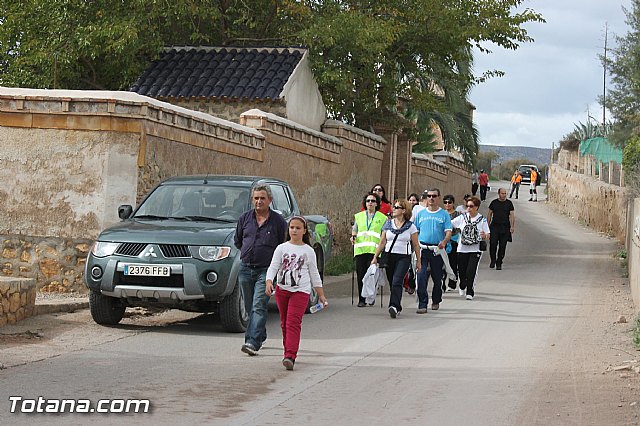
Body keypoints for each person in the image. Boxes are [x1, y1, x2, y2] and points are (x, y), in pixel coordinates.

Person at [265, 216, 328, 370]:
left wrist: (321, 295)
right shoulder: (281, 248)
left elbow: (314, 274)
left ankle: (290, 355)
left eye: (298, 228)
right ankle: (288, 350)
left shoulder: (308, 251)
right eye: (292, 227)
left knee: (293, 323)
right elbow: (273, 266)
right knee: (284, 323)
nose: (294, 230)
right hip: (282, 290)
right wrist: (269, 281)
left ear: (304, 231)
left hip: (300, 291)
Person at [235, 185, 288, 356]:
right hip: (246, 268)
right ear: (252, 200)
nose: (259, 201)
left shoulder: (278, 221)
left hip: (266, 271)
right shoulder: (244, 218)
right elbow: (238, 241)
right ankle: (261, 333)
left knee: (259, 305)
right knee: (251, 305)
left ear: (270, 201)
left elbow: (283, 244)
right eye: (256, 198)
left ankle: (252, 341)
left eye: (262, 198)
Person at [371, 199, 421, 318]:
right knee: (392, 282)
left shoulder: (410, 226)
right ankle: (396, 305)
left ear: (403, 210)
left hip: (403, 257)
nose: (393, 209)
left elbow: (416, 245)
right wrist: (375, 257)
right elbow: (382, 242)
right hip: (389, 256)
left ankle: (394, 306)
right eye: (393, 207)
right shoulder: (388, 224)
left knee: (397, 281)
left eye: (397, 207)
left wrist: (418, 261)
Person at [414, 188, 452, 313]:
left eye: (434, 196)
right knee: (421, 275)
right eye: (429, 196)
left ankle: (436, 300)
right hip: (423, 249)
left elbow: (448, 231)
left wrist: (445, 241)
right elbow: (415, 231)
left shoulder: (444, 214)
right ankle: (422, 303)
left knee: (437, 277)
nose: (431, 198)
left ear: (438, 198)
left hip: (437, 249)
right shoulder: (421, 214)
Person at [352, 193, 388, 307]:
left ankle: (370, 296)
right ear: (365, 203)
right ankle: (362, 299)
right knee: (361, 275)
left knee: (372, 275)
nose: (370, 203)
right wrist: (353, 236)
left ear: (377, 203)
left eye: (372, 201)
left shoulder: (382, 218)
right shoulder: (359, 216)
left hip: (374, 251)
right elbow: (355, 229)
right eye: (368, 201)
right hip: (360, 250)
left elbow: (384, 234)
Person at [451, 196, 490, 300]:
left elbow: (488, 233)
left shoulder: (482, 220)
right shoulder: (462, 218)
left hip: (475, 249)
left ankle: (470, 291)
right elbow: (451, 224)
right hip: (462, 248)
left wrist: (484, 236)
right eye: (467, 206)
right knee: (462, 271)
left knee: (471, 271)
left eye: (471, 206)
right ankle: (462, 284)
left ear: (477, 207)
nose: (469, 208)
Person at [487, 188, 515, 270]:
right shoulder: (494, 203)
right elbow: (489, 214)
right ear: (498, 193)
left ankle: (499, 261)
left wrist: (512, 226)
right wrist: (487, 226)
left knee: (502, 246)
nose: (504, 195)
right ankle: (493, 260)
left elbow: (512, 215)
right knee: (493, 244)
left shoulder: (509, 203)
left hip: (505, 227)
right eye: (502, 193)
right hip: (495, 226)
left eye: (505, 193)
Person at [442, 194, 461, 291]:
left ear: (453, 203)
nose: (447, 204)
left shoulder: (458, 214)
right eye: (445, 202)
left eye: (449, 202)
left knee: (452, 262)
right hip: (443, 240)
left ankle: (452, 282)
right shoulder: (441, 214)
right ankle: (442, 282)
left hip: (454, 240)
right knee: (442, 263)